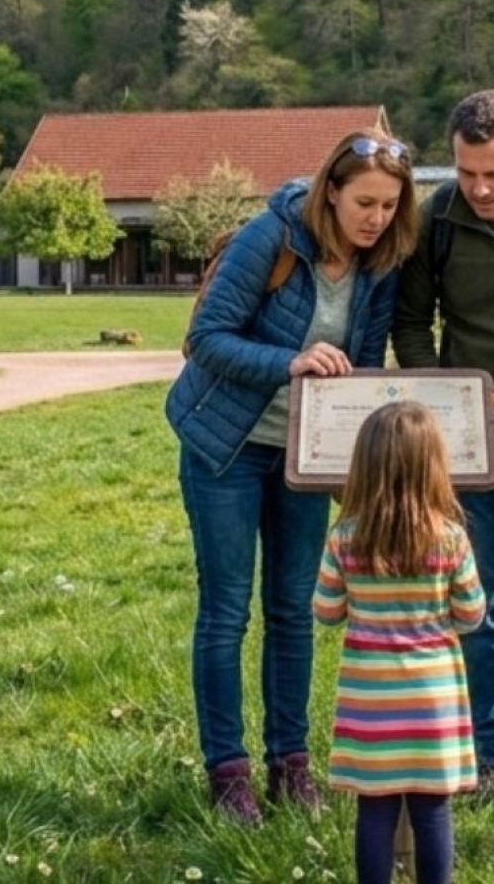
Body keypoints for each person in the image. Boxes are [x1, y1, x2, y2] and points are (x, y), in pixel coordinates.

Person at [166, 128, 418, 823]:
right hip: (226, 444)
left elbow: (365, 364)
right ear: (330, 192)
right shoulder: (270, 237)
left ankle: (291, 766)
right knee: (227, 610)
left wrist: (358, 459)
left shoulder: (381, 262)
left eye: (389, 206)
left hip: (304, 456)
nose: (376, 218)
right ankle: (228, 775)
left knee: (292, 610)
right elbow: (204, 339)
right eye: (364, 203)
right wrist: (290, 362)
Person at [313, 401, 485, 884]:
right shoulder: (451, 539)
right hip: (433, 701)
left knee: (374, 809)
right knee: (433, 810)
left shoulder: (345, 538)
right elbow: (472, 615)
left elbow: (326, 611)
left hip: (370, 701)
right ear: (434, 466)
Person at [392, 90, 494, 798]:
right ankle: (483, 754)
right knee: (477, 604)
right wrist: (442, 400)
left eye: (492, 175)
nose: (479, 188)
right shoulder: (437, 219)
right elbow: (409, 321)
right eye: (467, 173)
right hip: (468, 440)